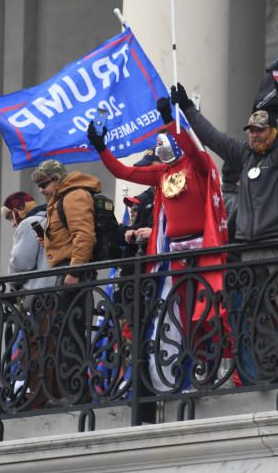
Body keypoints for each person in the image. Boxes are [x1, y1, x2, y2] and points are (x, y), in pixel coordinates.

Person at [88, 96, 228, 391]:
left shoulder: (198, 165)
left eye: (166, 139)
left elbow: (192, 146)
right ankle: (167, 379)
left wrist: (171, 117)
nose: (162, 145)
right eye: (159, 140)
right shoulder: (161, 172)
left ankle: (204, 374)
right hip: (173, 256)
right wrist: (101, 148)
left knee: (202, 316)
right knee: (170, 317)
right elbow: (124, 172)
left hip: (202, 252)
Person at [171, 80, 278, 383]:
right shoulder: (244, 155)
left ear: (272, 132)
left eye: (260, 131)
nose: (255, 136)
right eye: (252, 131)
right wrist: (188, 109)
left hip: (277, 243)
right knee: (255, 312)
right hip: (247, 247)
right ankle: (266, 368)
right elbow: (213, 138)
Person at [30, 159, 102, 284]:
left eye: (44, 184)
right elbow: (67, 235)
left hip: (73, 269)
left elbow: (84, 235)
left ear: (57, 179)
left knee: (74, 303)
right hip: (68, 268)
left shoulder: (73, 196)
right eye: (38, 186)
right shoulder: (61, 197)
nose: (41, 190)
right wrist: (48, 239)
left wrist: (74, 272)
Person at [1, 191, 53, 291]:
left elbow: (21, 263)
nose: (12, 224)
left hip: (40, 293)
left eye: (11, 217)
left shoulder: (28, 224)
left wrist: (12, 281)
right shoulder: (51, 220)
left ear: (20, 209)